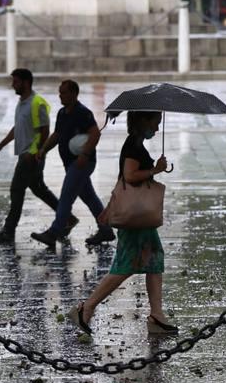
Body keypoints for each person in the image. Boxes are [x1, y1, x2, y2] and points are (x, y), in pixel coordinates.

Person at [67, 110, 178, 336]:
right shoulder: (133, 146)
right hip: (135, 219)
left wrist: (109, 206)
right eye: (154, 123)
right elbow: (129, 176)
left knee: (154, 262)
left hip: (139, 218)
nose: (156, 128)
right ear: (143, 120)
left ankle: (157, 315)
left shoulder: (135, 143)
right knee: (124, 267)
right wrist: (155, 169)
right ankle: (86, 308)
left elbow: (121, 179)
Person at [0, 68, 78, 243]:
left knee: (17, 190)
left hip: (31, 156)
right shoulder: (22, 103)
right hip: (27, 154)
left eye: (16, 81)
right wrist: (0, 145)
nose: (13, 84)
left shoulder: (37, 103)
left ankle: (9, 230)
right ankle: (68, 218)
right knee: (39, 189)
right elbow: (17, 128)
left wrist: (36, 151)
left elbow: (45, 131)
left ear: (26, 82)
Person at [31, 79, 112, 248]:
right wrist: (43, 149)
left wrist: (85, 153)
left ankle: (54, 232)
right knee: (89, 197)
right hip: (70, 163)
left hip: (82, 163)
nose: (61, 96)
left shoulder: (83, 113)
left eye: (64, 92)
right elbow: (57, 135)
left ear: (74, 94)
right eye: (60, 92)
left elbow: (95, 133)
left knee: (66, 197)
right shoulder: (62, 113)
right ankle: (106, 230)